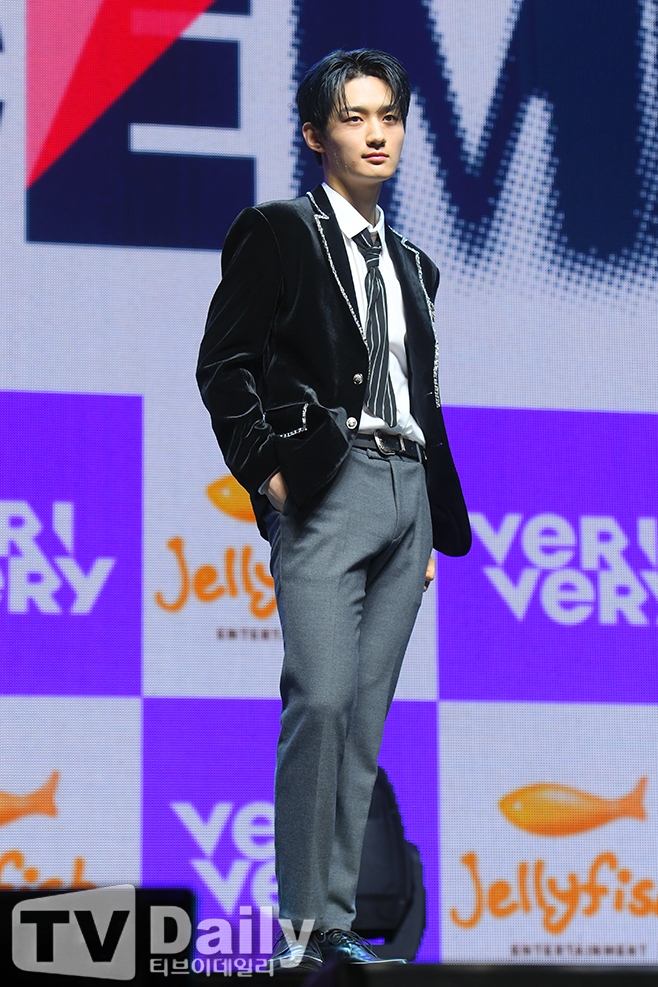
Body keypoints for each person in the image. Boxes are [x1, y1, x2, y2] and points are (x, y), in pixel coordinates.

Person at [197, 48, 471, 969]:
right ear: (317, 135)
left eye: (388, 115)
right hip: (328, 483)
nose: (376, 132)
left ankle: (338, 923)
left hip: (406, 492)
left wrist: (425, 517)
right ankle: (299, 931)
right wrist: (270, 477)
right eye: (354, 117)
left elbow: (422, 398)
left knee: (364, 715)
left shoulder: (416, 264)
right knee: (317, 698)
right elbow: (223, 366)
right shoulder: (279, 231)